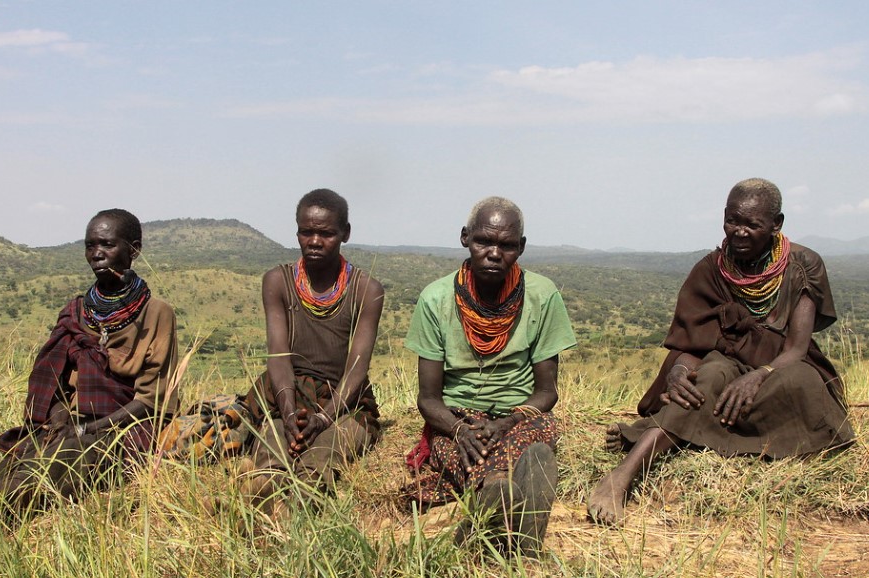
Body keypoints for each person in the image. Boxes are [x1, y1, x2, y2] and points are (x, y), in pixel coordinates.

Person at [587, 178, 855, 526]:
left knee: (803, 384)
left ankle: (699, 434)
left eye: (752, 225)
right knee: (705, 378)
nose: (739, 232)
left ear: (777, 224)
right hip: (727, 365)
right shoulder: (711, 269)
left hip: (780, 367)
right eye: (732, 220)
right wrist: (678, 373)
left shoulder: (803, 265)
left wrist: (760, 376)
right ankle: (622, 475)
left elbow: (796, 348)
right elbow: (689, 345)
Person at [403, 196, 576, 556]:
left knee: (540, 429)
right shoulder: (435, 299)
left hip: (519, 416)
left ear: (521, 248)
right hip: (456, 419)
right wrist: (459, 429)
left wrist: (507, 421)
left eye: (507, 245)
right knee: (454, 449)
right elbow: (429, 398)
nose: (494, 253)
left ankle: (489, 504)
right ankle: (511, 508)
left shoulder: (543, 296)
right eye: (484, 241)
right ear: (465, 238)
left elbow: (547, 392)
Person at [0, 209, 179, 516]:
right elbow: (57, 384)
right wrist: (61, 418)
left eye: (106, 244)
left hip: (124, 426)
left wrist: (90, 428)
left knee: (39, 480)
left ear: (134, 250)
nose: (97, 254)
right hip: (73, 422)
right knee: (15, 465)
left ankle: (3, 510)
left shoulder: (156, 313)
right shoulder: (76, 311)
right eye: (90, 246)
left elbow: (152, 399)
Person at [242, 189, 384, 508]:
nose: (315, 241)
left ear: (345, 233)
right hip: (288, 394)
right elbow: (278, 357)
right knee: (274, 446)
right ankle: (259, 523)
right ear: (297, 232)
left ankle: (303, 518)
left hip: (345, 403)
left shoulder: (366, 290)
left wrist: (324, 418)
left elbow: (356, 369)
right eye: (307, 232)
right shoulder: (277, 281)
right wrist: (290, 411)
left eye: (326, 233)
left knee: (319, 460)